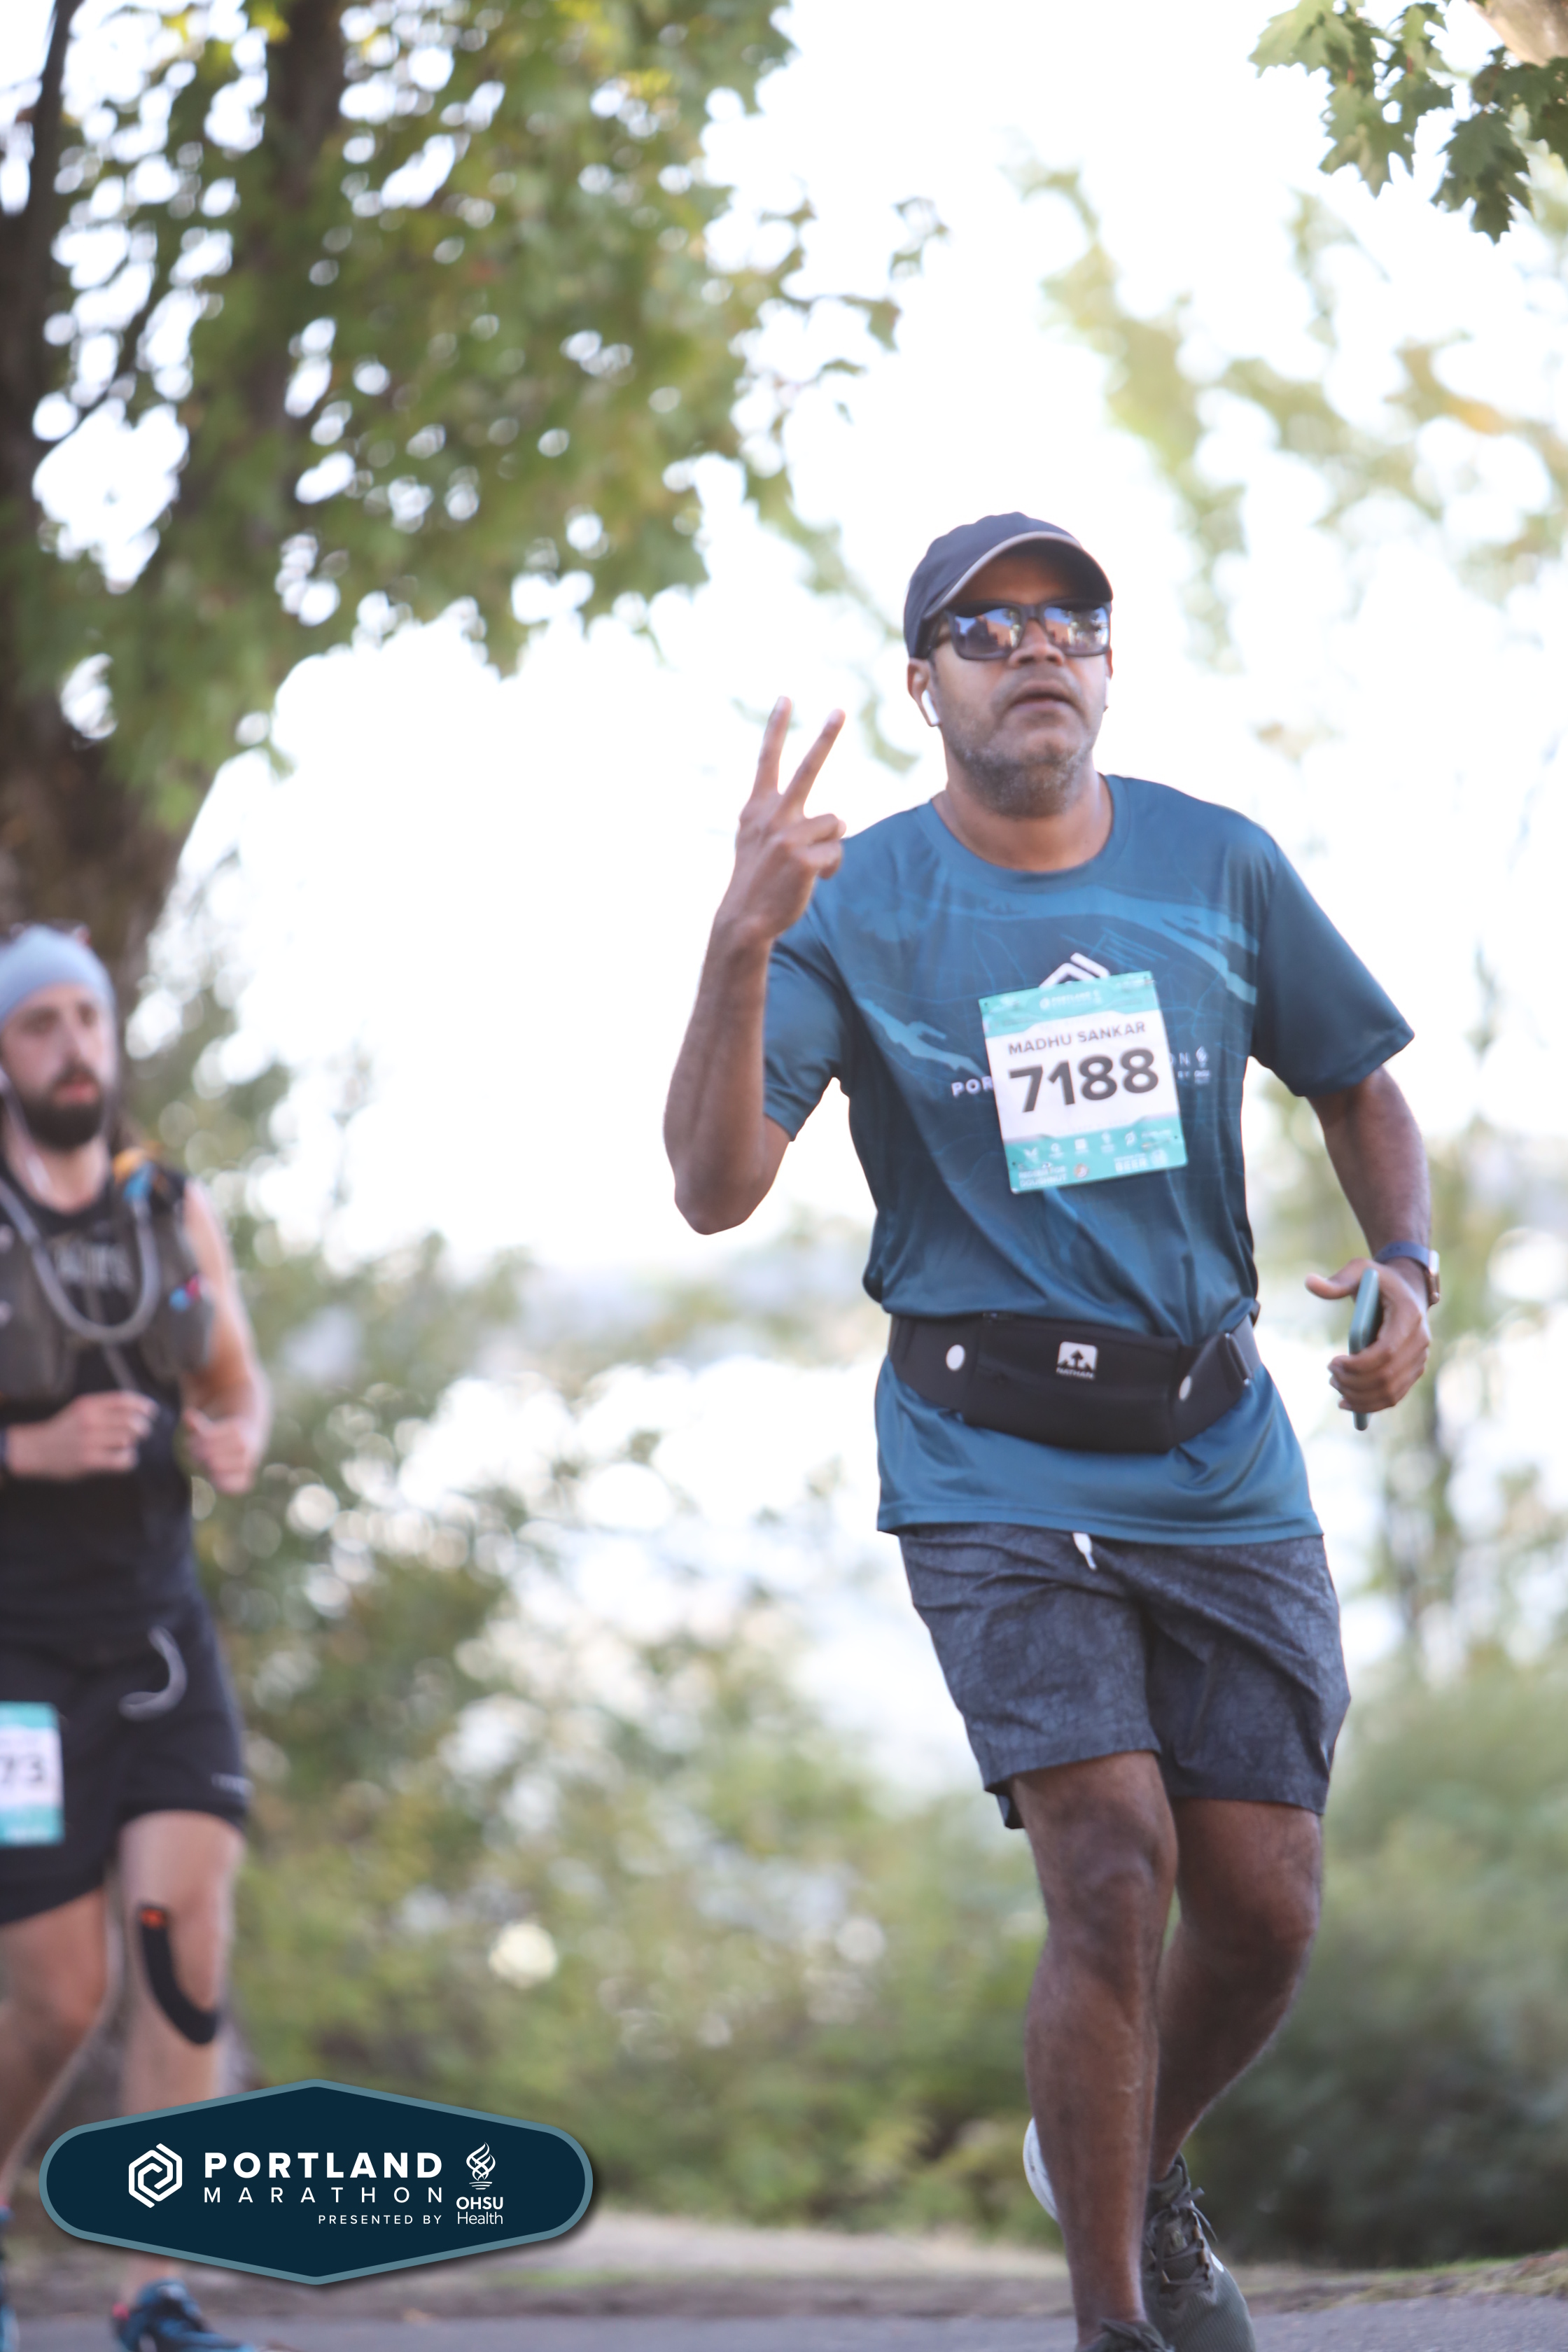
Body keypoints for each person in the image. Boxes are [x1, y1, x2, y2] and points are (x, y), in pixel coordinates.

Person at [664, 514, 1436, 2352]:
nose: (1036, 647)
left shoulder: (1215, 863)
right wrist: (737, 945)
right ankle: (1110, 2323)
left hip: (1216, 1445)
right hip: (985, 1452)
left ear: (1105, 664)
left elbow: (1356, 1081)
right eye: (986, 624)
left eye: (1070, 618)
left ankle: (1120, 2167)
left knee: (1265, 1911)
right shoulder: (857, 902)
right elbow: (712, 1187)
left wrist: (1406, 1266)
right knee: (1109, 1862)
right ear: (922, 681)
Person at [0, 927, 270, 2352]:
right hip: (19, 1669)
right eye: (38, 1023)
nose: (71, 1048)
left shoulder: (168, 1208)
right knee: (61, 1999)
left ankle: (156, 2289)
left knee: (183, 1958)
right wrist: (30, 1451)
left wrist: (235, 1439)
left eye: (86, 1021)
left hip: (160, 1638)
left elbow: (236, 1383)